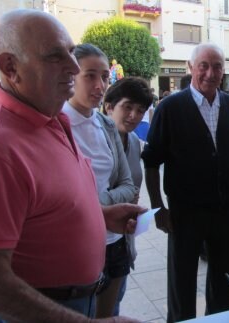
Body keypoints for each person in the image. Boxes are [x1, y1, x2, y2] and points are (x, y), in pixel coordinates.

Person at [0, 9, 143, 323]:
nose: (74, 67)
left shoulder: (49, 116)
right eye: (55, 57)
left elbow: (46, 206)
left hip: (76, 299)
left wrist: (99, 216)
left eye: (71, 53)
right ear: (10, 67)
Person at [142, 43, 229, 322]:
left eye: (217, 67)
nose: (210, 73)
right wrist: (158, 208)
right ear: (191, 68)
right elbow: (151, 161)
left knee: (225, 280)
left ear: (223, 71)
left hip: (228, 212)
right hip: (185, 213)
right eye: (203, 65)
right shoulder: (170, 107)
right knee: (182, 281)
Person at [62, 43, 138, 318]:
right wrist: (99, 205)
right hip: (79, 245)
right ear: (71, 75)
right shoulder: (56, 125)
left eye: (105, 76)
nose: (100, 84)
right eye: (90, 75)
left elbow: (129, 186)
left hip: (114, 241)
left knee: (110, 314)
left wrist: (93, 202)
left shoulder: (106, 124)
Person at [103, 77, 153, 315]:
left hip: (122, 237)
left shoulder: (134, 141)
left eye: (140, 110)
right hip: (95, 237)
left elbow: (133, 189)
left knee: (114, 303)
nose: (133, 115)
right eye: (127, 107)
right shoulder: (94, 138)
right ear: (109, 106)